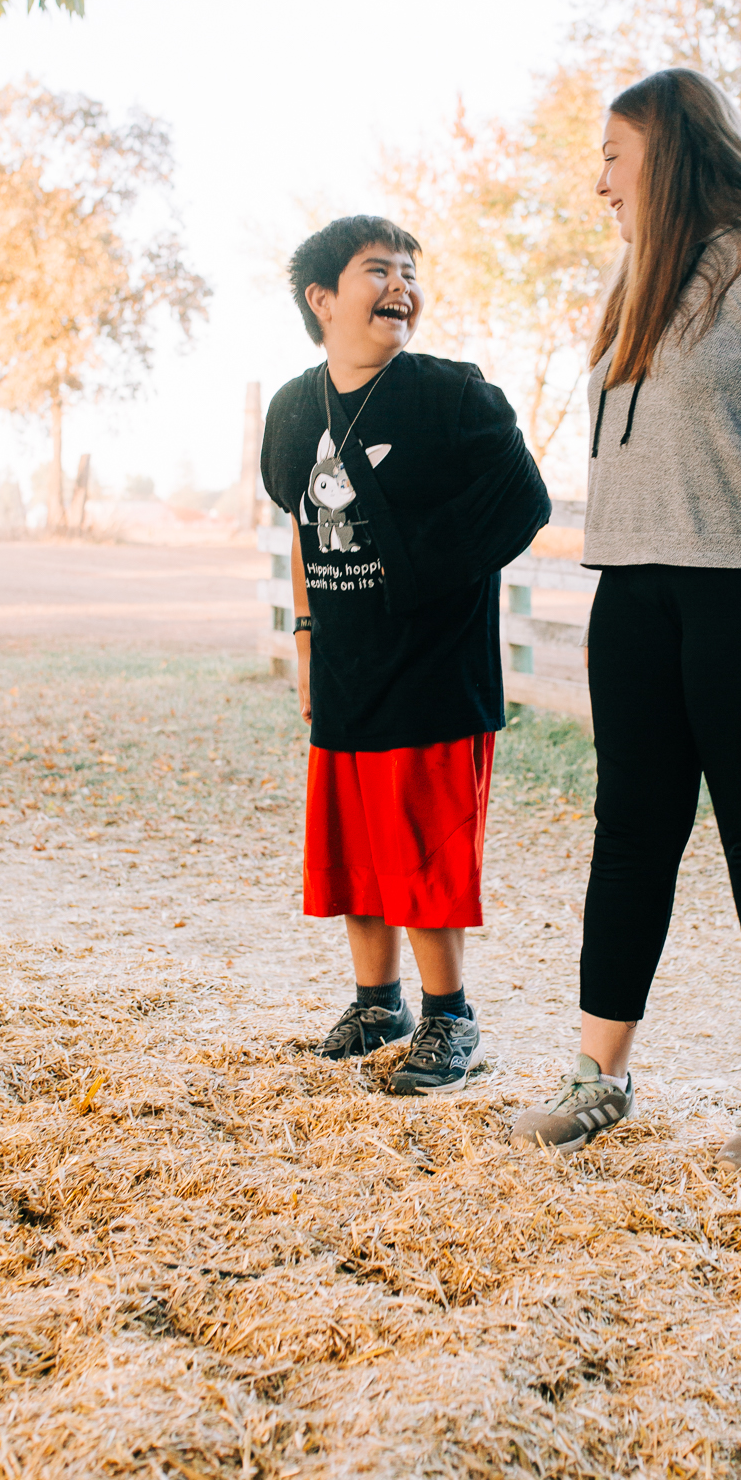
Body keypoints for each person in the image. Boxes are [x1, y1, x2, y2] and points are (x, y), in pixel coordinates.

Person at [512, 69, 741, 1168]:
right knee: (630, 839)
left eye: (614, 156)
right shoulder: (637, 279)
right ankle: (598, 1076)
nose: (599, 182)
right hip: (633, 593)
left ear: (667, 150)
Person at [262, 215, 550, 1094]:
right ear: (322, 298)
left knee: (423, 851)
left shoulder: (455, 398)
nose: (401, 287)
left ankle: (449, 1017)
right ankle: (376, 1002)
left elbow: (523, 505)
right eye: (376, 270)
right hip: (346, 663)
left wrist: (417, 576)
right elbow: (306, 533)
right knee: (354, 848)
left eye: (409, 272)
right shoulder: (292, 409)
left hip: (435, 667)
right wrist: (307, 637)